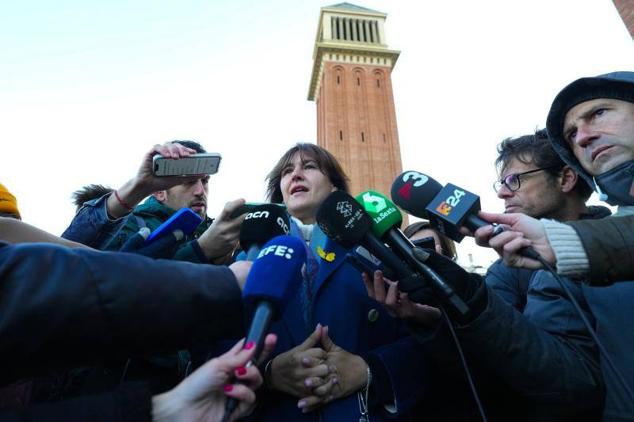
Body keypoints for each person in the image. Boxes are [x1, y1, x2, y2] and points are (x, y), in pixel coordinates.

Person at [254, 143, 429, 421]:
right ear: (281, 193)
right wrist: (268, 374)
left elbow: (426, 342)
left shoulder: (376, 252)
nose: (296, 174)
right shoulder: (251, 257)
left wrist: (369, 369)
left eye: (309, 166)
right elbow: (214, 351)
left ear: (335, 189)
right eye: (287, 171)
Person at [486, 129, 609, 310]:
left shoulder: (622, 247)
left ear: (566, 179)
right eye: (502, 183)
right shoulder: (506, 270)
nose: (502, 193)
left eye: (514, 180)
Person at [102, 140, 245, 264]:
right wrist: (201, 250)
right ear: (159, 191)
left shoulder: (218, 232)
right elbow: (117, 282)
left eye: (205, 181)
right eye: (188, 182)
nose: (200, 191)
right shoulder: (126, 226)